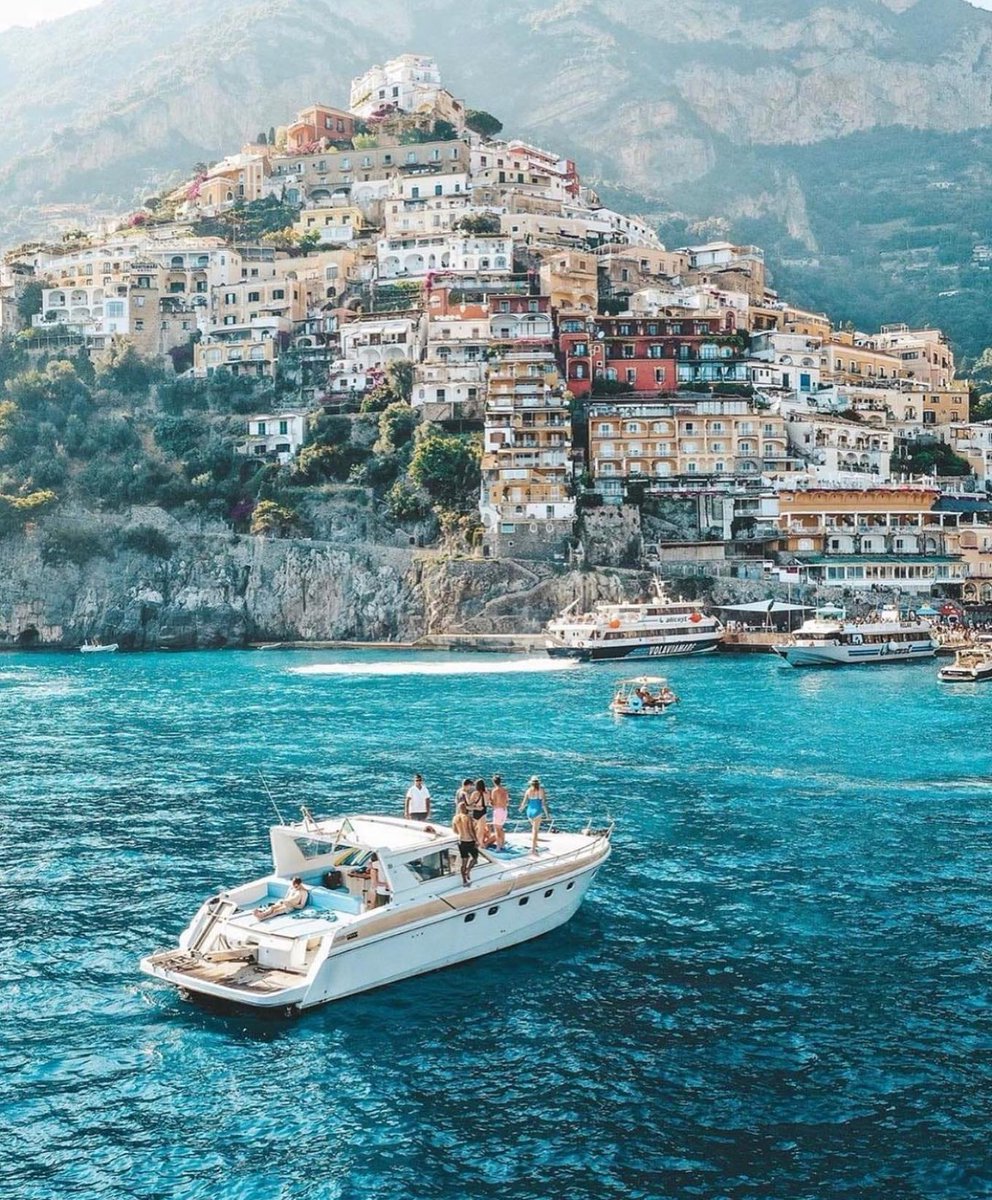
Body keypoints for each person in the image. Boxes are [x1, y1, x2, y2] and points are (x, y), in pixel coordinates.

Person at [520, 776, 549, 856]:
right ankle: (533, 850)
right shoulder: (541, 791)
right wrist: (547, 815)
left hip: (529, 811)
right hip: (537, 811)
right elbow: (543, 804)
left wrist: (521, 809)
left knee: (533, 828)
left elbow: (524, 803)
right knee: (535, 830)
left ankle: (535, 843)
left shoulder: (528, 791)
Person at [452, 799, 478, 886]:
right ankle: (468, 870)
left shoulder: (455, 818)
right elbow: (471, 830)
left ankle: (464, 880)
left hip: (461, 841)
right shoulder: (468, 818)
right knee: (475, 858)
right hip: (469, 840)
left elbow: (455, 830)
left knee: (464, 861)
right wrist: (476, 839)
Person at [490, 774, 510, 850]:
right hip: (504, 810)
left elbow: (493, 802)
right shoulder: (505, 790)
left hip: (498, 810)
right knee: (501, 828)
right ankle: (502, 844)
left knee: (497, 829)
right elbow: (507, 800)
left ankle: (498, 846)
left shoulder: (494, 791)